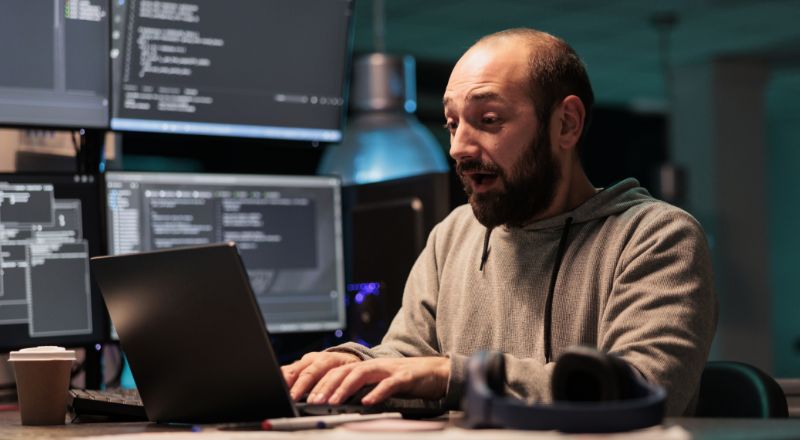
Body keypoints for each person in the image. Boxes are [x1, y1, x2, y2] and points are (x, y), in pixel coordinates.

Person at [281, 28, 717, 416]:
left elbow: (645, 388)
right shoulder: (453, 235)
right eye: (452, 124)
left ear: (566, 124)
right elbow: (408, 356)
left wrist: (455, 375)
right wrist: (356, 364)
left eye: (488, 120)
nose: (458, 148)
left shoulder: (657, 237)